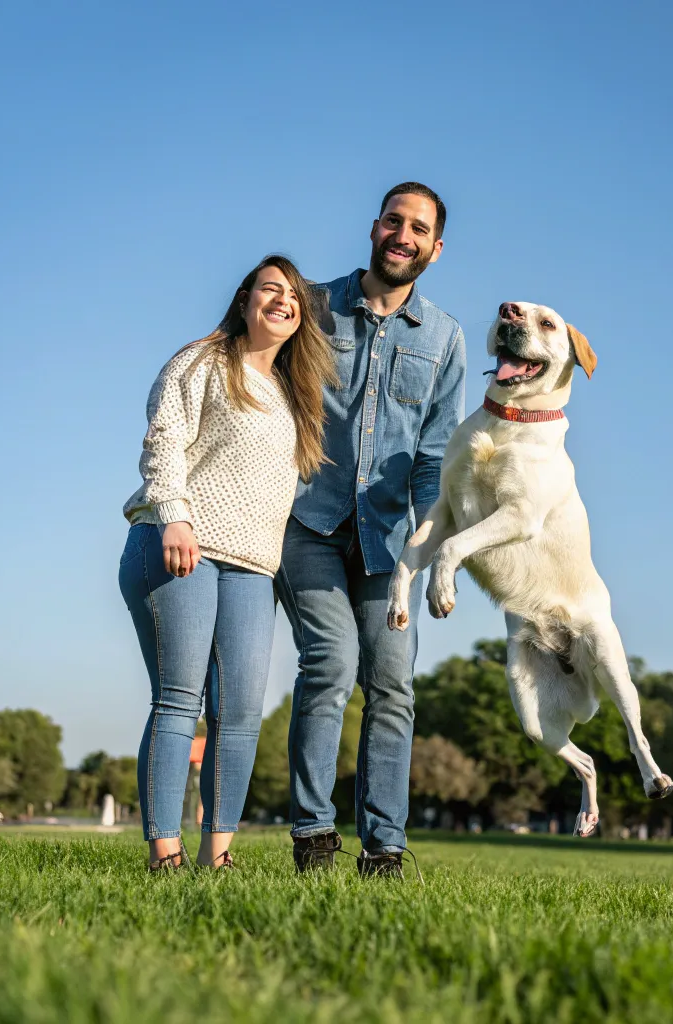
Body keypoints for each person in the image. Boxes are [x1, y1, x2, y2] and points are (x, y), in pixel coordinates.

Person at [119, 255, 335, 871]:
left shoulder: (295, 396)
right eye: (271, 289)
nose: (284, 301)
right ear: (244, 300)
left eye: (294, 296)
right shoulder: (205, 360)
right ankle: (166, 852)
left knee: (238, 713)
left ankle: (220, 857)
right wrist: (174, 516)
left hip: (252, 567)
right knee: (179, 701)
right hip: (179, 545)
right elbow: (164, 437)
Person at [275, 182, 466, 877]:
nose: (403, 235)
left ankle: (384, 848)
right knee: (329, 665)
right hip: (310, 521)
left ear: (435, 249)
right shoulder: (315, 307)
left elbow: (436, 454)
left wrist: (430, 546)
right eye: (395, 221)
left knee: (392, 684)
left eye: (419, 229)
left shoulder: (445, 337)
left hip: (392, 543)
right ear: (375, 227)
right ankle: (313, 838)